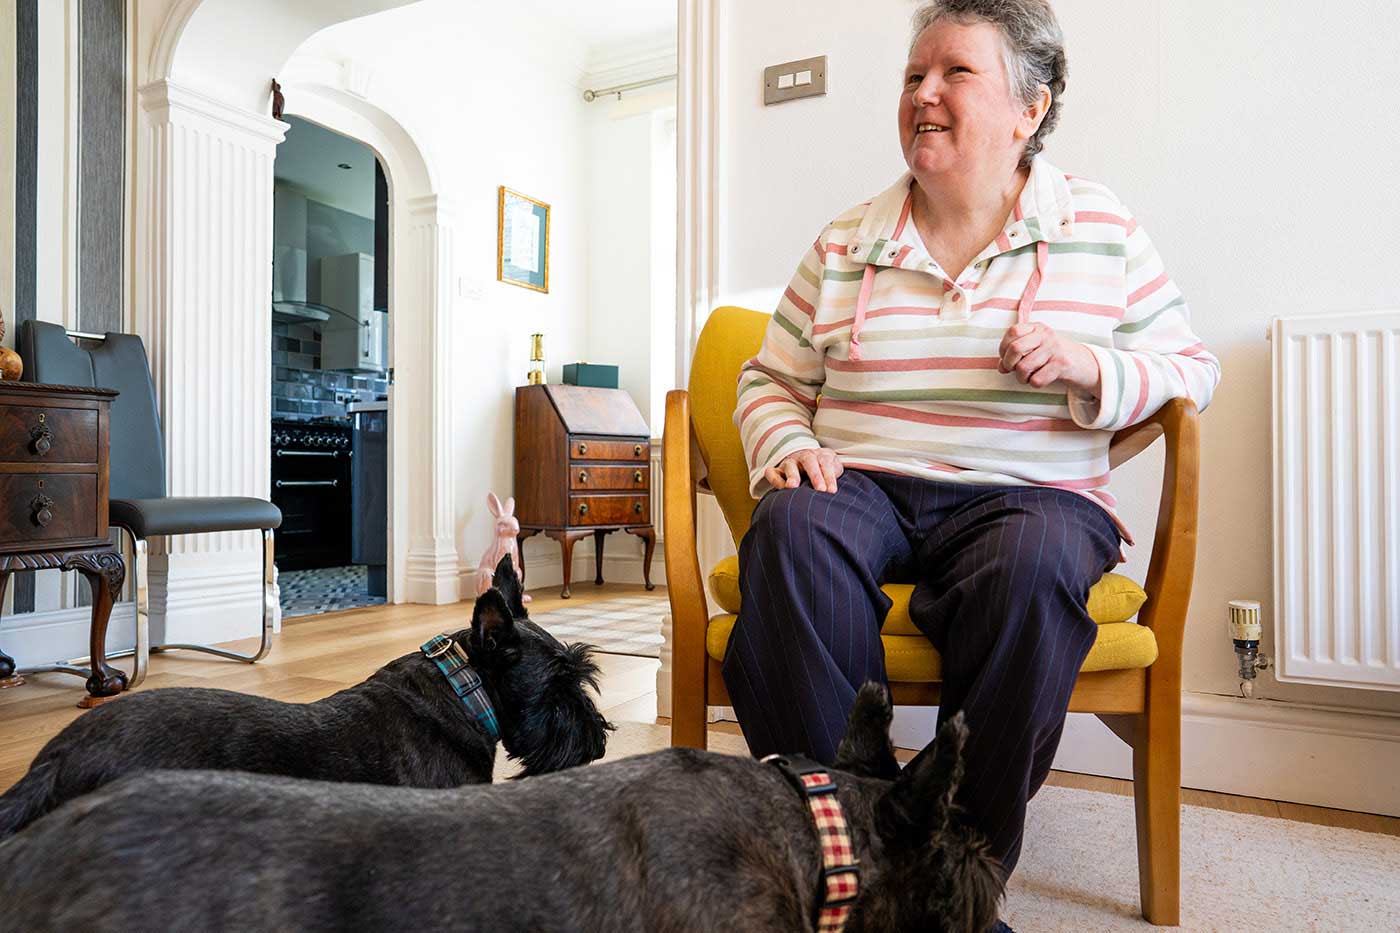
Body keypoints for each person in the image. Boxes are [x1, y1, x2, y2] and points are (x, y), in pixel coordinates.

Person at [725, 0, 1220, 895]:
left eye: (956, 72)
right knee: (789, 530)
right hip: (863, 479)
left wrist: (1092, 367)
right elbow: (767, 380)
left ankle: (954, 877)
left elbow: (1192, 369)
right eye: (914, 75)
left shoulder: (1099, 227)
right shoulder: (846, 240)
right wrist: (785, 438)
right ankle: (852, 852)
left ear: (1030, 108)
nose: (924, 93)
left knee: (1030, 567)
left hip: (1030, 491)